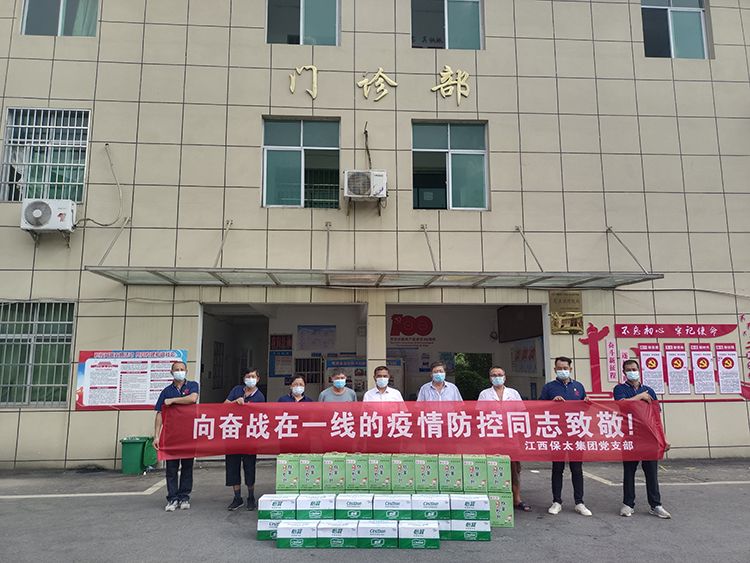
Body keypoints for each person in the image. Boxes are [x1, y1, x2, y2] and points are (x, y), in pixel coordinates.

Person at [614, 359, 672, 519]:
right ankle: (628, 504)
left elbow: (656, 417)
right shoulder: (620, 389)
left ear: (639, 370)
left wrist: (663, 438)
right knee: (629, 472)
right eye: (628, 370)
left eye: (634, 369)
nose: (631, 372)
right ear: (624, 373)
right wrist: (640, 396)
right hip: (630, 436)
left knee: (651, 472)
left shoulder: (649, 391)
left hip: (649, 438)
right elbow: (622, 405)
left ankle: (656, 505)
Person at [539, 356, 592, 517]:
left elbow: (584, 408)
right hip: (557, 433)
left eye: (565, 368)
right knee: (557, 468)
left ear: (570, 369)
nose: (562, 370)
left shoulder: (579, 386)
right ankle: (557, 501)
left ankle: (579, 502)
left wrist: (587, 403)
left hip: (576, 432)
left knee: (577, 468)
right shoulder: (549, 387)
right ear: (555, 369)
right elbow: (539, 407)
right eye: (559, 368)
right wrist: (552, 403)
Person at [478, 366, 530, 512]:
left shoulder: (513, 393)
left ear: (505, 377)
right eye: (494, 375)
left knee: (514, 468)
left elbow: (521, 414)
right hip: (492, 436)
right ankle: (493, 497)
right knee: (492, 466)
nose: (497, 377)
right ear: (490, 378)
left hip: (511, 436)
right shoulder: (484, 394)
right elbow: (480, 416)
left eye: (499, 374)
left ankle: (517, 498)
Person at [153, 361, 199, 512]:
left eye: (182, 369)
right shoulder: (166, 391)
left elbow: (192, 398)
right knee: (171, 469)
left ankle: (184, 496)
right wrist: (156, 436)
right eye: (177, 369)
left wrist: (173, 401)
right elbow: (159, 413)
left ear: (186, 371)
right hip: (171, 436)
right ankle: (172, 498)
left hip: (188, 435)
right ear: (171, 372)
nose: (180, 371)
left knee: (187, 467)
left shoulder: (192, 386)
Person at [224, 368, 265, 511]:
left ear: (258, 379)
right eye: (248, 376)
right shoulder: (236, 390)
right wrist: (235, 402)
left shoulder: (259, 396)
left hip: (249, 437)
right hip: (233, 434)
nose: (250, 379)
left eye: (253, 376)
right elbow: (223, 406)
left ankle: (251, 497)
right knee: (232, 467)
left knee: (249, 467)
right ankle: (237, 497)